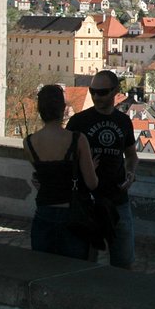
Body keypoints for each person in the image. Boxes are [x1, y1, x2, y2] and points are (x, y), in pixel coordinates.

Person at [65, 70, 138, 268]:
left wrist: (130, 174)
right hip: (86, 200)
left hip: (117, 199)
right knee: (83, 263)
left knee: (123, 262)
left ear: (115, 91)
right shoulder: (78, 122)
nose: (96, 96)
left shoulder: (123, 122)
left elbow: (131, 156)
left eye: (102, 92)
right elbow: (64, 158)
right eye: (93, 91)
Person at [26, 84, 98, 258]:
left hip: (43, 212)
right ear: (63, 109)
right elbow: (92, 183)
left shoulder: (29, 142)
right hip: (72, 214)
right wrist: (89, 168)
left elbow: (46, 178)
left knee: (44, 269)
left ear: (39, 109)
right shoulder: (77, 139)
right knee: (72, 272)